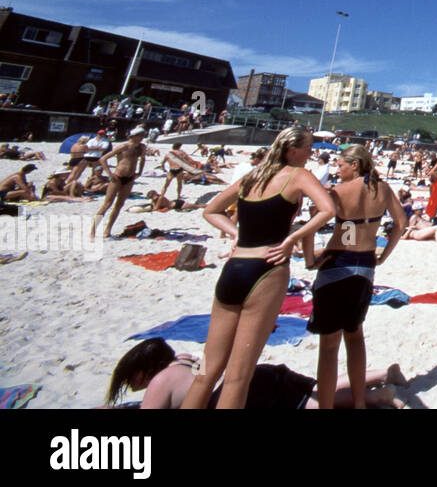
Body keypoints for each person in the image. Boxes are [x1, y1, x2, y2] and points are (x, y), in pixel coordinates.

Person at [181, 126, 334, 409]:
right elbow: (328, 209)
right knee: (238, 376)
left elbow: (210, 210)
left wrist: (236, 234)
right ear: (292, 151)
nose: (311, 152)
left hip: (234, 267)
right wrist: (293, 238)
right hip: (267, 269)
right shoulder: (298, 175)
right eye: (308, 147)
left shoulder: (252, 176)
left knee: (206, 370)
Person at [304, 144, 405, 409]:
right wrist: (383, 256)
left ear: (355, 165)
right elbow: (401, 224)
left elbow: (309, 227)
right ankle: (359, 403)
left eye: (340, 165)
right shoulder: (382, 189)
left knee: (328, 347)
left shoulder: (337, 192)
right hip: (365, 265)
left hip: (338, 264)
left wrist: (309, 260)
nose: (337, 170)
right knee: (355, 336)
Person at [107, 338, 406, 408]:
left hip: (256, 392)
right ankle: (381, 376)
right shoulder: (185, 358)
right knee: (318, 389)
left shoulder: (161, 381)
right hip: (260, 375)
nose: (131, 384)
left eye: (130, 378)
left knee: (317, 402)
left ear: (144, 370)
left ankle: (378, 395)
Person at [91, 127, 148, 238]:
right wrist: (109, 173)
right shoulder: (124, 146)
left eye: (142, 136)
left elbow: (143, 159)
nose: (141, 138)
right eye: (140, 135)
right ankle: (93, 230)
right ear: (134, 136)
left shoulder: (141, 147)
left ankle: (107, 230)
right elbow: (103, 159)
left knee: (119, 205)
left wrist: (139, 172)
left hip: (130, 178)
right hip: (118, 176)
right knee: (107, 204)